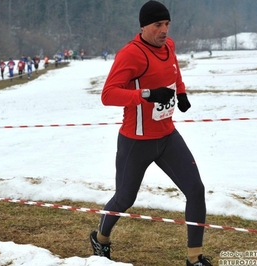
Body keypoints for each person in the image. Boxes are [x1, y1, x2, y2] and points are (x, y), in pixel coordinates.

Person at [88, 2, 212, 266]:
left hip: (167, 137)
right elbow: (108, 95)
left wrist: (181, 93)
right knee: (124, 199)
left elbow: (174, 71)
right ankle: (101, 237)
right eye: (158, 25)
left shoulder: (169, 46)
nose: (164, 30)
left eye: (167, 24)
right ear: (143, 26)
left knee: (196, 190)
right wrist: (146, 94)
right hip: (136, 141)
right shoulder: (131, 54)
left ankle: (194, 258)